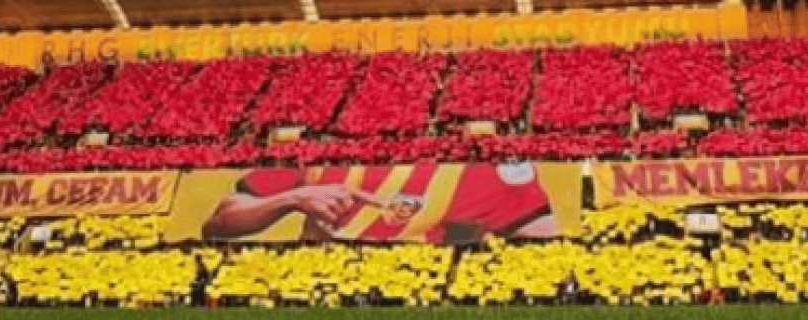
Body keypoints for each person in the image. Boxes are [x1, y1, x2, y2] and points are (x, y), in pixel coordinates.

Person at [202, 162, 557, 244]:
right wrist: (291, 198)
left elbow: (547, 247)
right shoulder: (311, 151)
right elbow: (219, 225)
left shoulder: (484, 166)